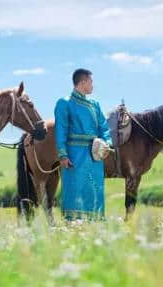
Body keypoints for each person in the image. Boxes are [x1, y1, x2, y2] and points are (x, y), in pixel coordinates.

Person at [54, 68, 112, 221]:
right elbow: (60, 130)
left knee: (95, 189)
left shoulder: (95, 104)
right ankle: (74, 225)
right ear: (83, 82)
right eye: (91, 82)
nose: (93, 85)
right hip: (74, 155)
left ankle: (96, 224)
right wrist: (63, 154)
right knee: (75, 188)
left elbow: (104, 127)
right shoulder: (64, 103)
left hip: (94, 154)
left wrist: (106, 143)